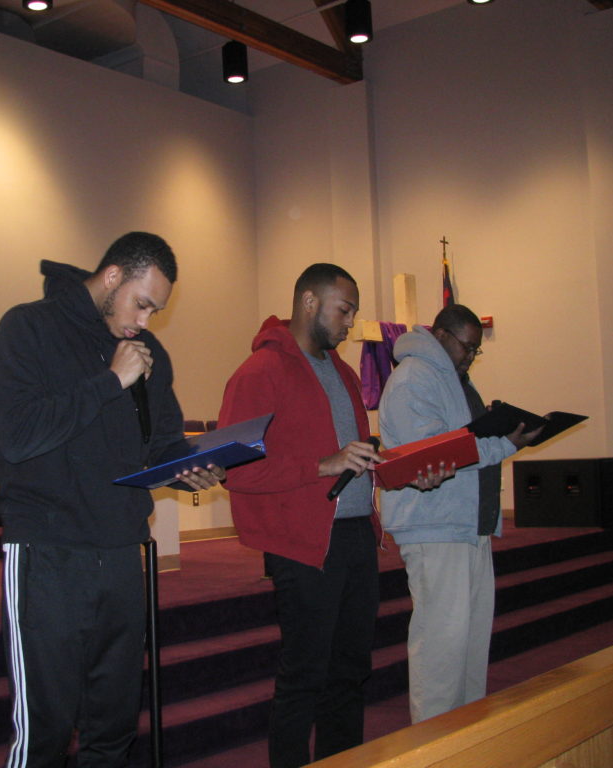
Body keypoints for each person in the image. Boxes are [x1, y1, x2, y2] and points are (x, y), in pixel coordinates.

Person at [0, 231, 224, 767]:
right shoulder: (27, 328)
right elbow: (19, 436)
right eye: (142, 303)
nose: (145, 321)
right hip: (47, 553)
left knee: (113, 731)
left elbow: (159, 443)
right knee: (42, 734)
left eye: (156, 311)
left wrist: (189, 467)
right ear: (112, 276)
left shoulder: (149, 353)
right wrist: (110, 380)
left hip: (120, 553)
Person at [217, 263, 448, 768]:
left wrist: (403, 472)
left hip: (355, 539)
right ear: (309, 302)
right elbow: (235, 472)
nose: (350, 324)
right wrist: (323, 464)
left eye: (353, 313)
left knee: (350, 672)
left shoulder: (342, 373)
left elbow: (353, 460)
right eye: (344, 310)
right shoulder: (259, 373)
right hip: (302, 546)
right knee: (305, 676)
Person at [378, 303, 540, 724]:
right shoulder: (414, 378)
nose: (471, 356)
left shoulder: (456, 380)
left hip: (468, 526)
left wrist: (500, 431)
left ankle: (467, 739)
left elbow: (464, 440)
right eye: (467, 347)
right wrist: (507, 443)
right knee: (441, 650)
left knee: (468, 648)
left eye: (476, 350)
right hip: (435, 528)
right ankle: (435, 748)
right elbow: (433, 453)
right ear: (442, 335)